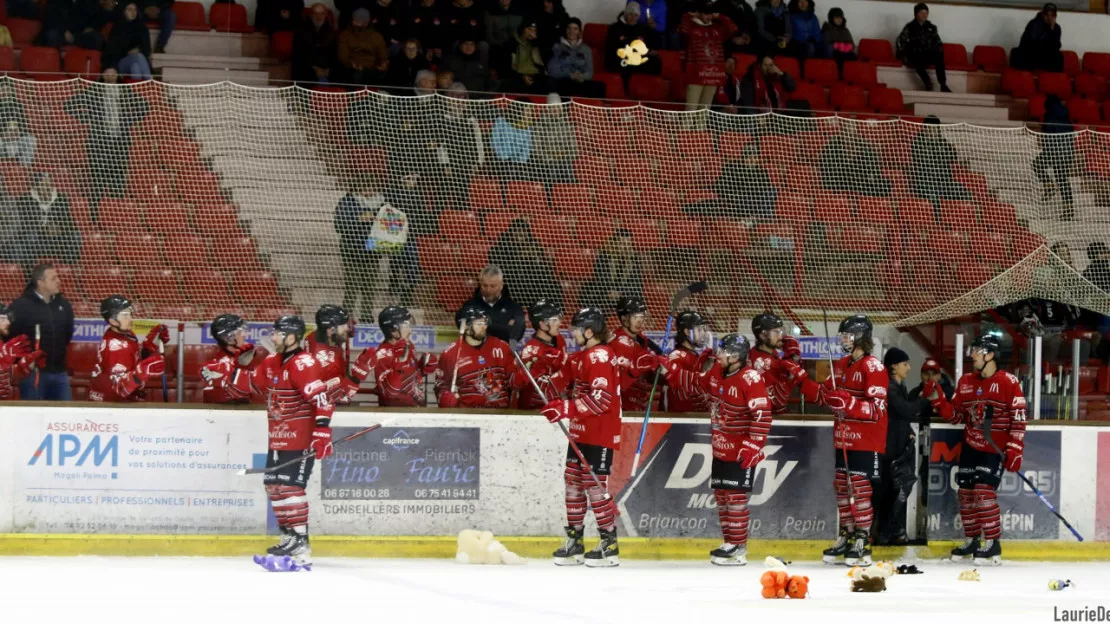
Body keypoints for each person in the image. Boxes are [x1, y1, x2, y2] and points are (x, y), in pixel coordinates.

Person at [664, 333, 771, 565]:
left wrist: (754, 445)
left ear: (736, 355)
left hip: (740, 450)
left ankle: (739, 547)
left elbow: (762, 415)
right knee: (722, 496)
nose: (719, 354)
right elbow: (695, 382)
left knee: (735, 497)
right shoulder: (716, 372)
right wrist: (668, 368)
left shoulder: (751, 378)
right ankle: (729, 542)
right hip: (720, 448)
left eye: (723, 351)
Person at [924, 335, 1026, 566]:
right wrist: (938, 400)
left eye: (978, 351)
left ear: (990, 355)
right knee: (966, 494)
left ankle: (992, 543)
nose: (973, 355)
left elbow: (1019, 419)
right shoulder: (966, 381)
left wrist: (1015, 448)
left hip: (994, 449)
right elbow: (957, 415)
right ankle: (972, 540)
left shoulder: (1009, 382)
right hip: (971, 444)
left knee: (983, 492)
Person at [798, 314, 888, 566]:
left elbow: (878, 409)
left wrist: (848, 402)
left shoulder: (874, 367)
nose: (844, 340)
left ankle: (863, 540)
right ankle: (848, 534)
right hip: (843, 439)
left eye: (848, 335)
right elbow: (823, 395)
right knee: (842, 487)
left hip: (866, 440)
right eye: (842, 336)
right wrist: (799, 378)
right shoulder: (840, 364)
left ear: (861, 337)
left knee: (859, 490)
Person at [246, 315, 334, 568]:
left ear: (292, 337)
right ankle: (287, 536)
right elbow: (254, 385)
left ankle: (300, 540)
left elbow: (323, 400)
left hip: (300, 437)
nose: (273, 338)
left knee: (290, 487)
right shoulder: (273, 361)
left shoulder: (304, 363)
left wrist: (321, 432)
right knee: (273, 485)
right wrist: (233, 372)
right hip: (278, 437)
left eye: (277, 333)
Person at [543, 307, 622, 568]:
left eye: (577, 328)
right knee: (574, 484)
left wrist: (565, 408)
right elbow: (559, 382)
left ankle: (609, 546)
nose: (573, 332)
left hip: (598, 432)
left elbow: (602, 400)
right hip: (579, 431)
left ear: (589, 331)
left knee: (595, 489)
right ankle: (575, 542)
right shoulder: (581, 356)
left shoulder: (599, 356)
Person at [63, 69, 150, 211]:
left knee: (118, 178)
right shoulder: (94, 90)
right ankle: (94, 214)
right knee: (97, 179)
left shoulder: (125, 91)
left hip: (120, 142)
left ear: (118, 75)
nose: (110, 75)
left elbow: (145, 106)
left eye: (113, 72)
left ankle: (116, 215)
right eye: (107, 72)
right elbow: (68, 105)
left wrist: (129, 121)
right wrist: (86, 119)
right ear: (102, 75)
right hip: (98, 142)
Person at [9, 263, 75, 401]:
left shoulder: (64, 305)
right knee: (33, 419)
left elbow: (67, 334)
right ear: (41, 283)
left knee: (65, 417)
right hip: (32, 374)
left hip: (60, 373)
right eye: (53, 278)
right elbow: (10, 337)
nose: (59, 281)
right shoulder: (20, 306)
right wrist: (24, 362)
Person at [876, 347, 921, 546]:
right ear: (894, 366)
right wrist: (927, 400)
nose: (909, 368)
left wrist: (908, 429)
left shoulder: (899, 386)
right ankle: (885, 531)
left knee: (896, 490)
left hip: (896, 446)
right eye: (905, 364)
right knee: (888, 491)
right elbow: (905, 410)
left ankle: (890, 530)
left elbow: (901, 416)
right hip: (888, 448)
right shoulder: (889, 387)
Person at [436, 304, 520, 408]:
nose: (484, 326)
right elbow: (441, 386)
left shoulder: (501, 346)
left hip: (501, 414)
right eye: (479, 323)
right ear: (465, 326)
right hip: (468, 417)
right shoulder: (450, 354)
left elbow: (514, 383)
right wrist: (444, 398)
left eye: (485, 322)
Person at [89, 296, 168, 402]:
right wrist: (143, 371)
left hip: (117, 401)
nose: (130, 319)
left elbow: (132, 358)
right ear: (113, 320)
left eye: (130, 314)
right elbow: (120, 388)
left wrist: (151, 343)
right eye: (125, 315)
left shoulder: (124, 334)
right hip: (110, 405)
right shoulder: (115, 349)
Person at [334, 174, 386, 322]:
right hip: (352, 250)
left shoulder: (382, 204)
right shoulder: (347, 202)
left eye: (373, 187)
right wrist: (358, 219)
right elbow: (339, 225)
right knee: (352, 285)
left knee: (370, 287)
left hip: (373, 251)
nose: (371, 190)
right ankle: (346, 317)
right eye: (367, 187)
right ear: (359, 187)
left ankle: (366, 317)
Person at [363, 306, 438, 407]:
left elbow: (409, 376)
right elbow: (388, 394)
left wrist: (423, 366)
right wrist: (399, 363)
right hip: (396, 413)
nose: (410, 329)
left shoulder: (408, 345)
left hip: (415, 408)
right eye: (406, 325)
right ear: (393, 331)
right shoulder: (382, 356)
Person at [488, 219, 561, 311]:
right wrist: (517, 256)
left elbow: (546, 269)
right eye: (517, 231)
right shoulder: (501, 247)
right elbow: (495, 265)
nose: (520, 234)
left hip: (531, 282)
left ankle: (551, 312)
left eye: (523, 231)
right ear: (511, 232)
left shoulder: (534, 246)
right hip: (511, 281)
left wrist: (536, 259)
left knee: (553, 284)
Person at [609, 295, 664, 412]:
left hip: (638, 403)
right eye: (635, 317)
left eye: (642, 316)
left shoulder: (642, 340)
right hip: (622, 406)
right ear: (624, 319)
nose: (640, 320)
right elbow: (622, 382)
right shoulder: (618, 342)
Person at [678, 4, 737, 111]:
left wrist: (720, 16)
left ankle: (701, 128)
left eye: (710, 14)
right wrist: (689, 15)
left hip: (713, 75)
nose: (708, 16)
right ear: (699, 13)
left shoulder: (717, 28)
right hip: (695, 74)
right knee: (691, 110)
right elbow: (683, 28)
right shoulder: (692, 26)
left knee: (704, 111)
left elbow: (733, 29)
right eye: (706, 13)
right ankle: (686, 129)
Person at [16, 172, 80, 268]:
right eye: (43, 185)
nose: (47, 188)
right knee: (30, 235)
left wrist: (60, 228)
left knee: (75, 235)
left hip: (57, 236)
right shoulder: (26, 199)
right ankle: (29, 269)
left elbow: (69, 222)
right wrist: (45, 229)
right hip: (38, 236)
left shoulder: (61, 199)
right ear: (36, 188)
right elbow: (25, 223)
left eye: (49, 184)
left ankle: (68, 270)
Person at [749, 313, 806, 415]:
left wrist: (792, 360)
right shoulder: (763, 363)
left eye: (781, 331)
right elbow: (776, 402)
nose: (781, 336)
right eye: (776, 332)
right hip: (768, 418)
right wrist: (790, 370)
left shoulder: (765, 352)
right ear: (763, 335)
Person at [517, 298, 568, 409]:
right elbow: (524, 384)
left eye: (559, 319)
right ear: (542, 324)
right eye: (554, 320)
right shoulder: (531, 351)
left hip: (556, 403)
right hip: (534, 408)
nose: (559, 323)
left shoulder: (559, 339)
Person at [306, 304, 361, 405]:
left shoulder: (316, 336)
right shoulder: (328, 364)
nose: (348, 328)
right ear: (330, 330)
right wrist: (358, 376)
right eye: (343, 324)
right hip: (328, 411)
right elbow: (341, 398)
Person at [819, 121, 891, 196]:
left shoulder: (865, 147)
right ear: (842, 134)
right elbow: (826, 167)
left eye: (852, 134)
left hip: (860, 181)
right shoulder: (832, 147)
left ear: (856, 135)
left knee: (885, 185)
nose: (849, 137)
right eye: (847, 134)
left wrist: (872, 177)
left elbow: (873, 168)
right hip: (838, 181)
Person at [661, 310, 714, 412]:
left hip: (694, 418)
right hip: (680, 419)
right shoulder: (677, 357)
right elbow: (683, 394)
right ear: (686, 332)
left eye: (703, 330)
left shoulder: (695, 356)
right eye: (699, 330)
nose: (703, 334)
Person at [581, 229, 645, 313]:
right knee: (590, 289)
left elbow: (636, 281)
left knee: (637, 293)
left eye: (628, 244)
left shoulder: (634, 258)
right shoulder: (604, 256)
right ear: (615, 244)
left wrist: (621, 293)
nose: (626, 247)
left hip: (624, 294)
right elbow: (599, 277)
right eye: (622, 244)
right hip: (605, 293)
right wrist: (609, 291)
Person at [199, 314, 257, 404]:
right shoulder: (216, 366)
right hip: (220, 414)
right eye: (240, 332)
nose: (245, 335)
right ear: (228, 338)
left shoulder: (244, 358)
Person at [1033, 94, 1075, 218]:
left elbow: (1048, 134)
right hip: (1067, 152)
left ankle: (1048, 185)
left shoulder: (1049, 115)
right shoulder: (1067, 117)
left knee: (1037, 164)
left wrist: (1047, 148)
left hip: (1053, 149)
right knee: (1063, 180)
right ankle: (1069, 209)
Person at [461, 265, 527, 343]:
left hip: (504, 353)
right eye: (485, 285)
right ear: (480, 284)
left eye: (493, 286)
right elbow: (466, 331)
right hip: (475, 352)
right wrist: (504, 326)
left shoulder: (514, 308)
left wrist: (485, 323)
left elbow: (515, 335)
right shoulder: (469, 306)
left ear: (501, 285)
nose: (488, 290)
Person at [895, 3, 949, 92]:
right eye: (922, 13)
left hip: (927, 54)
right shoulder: (910, 27)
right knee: (915, 55)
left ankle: (943, 84)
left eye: (926, 13)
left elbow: (938, 42)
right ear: (916, 14)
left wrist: (937, 49)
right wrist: (904, 54)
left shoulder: (931, 27)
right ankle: (927, 83)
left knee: (939, 56)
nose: (924, 15)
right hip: (914, 55)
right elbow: (901, 41)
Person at [715, 145, 776, 220]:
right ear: (744, 157)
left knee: (771, 191)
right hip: (737, 200)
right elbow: (721, 186)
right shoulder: (732, 168)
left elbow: (765, 189)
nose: (752, 159)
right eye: (749, 156)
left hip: (754, 202)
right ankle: (758, 219)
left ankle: (761, 219)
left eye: (755, 157)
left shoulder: (762, 172)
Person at [548, 19, 605, 99]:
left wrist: (581, 77)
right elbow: (553, 70)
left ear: (579, 31)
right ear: (565, 29)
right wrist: (569, 75)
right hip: (564, 81)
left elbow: (589, 72)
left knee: (599, 86)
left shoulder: (586, 49)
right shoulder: (557, 47)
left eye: (575, 28)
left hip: (580, 81)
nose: (572, 31)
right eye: (569, 28)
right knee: (557, 84)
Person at [604, 3, 662, 77]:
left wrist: (652, 29)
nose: (633, 18)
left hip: (638, 58)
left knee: (655, 62)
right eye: (630, 14)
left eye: (636, 15)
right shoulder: (615, 28)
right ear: (625, 15)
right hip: (621, 58)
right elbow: (613, 48)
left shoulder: (642, 28)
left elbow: (653, 43)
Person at [0, 302, 43, 400]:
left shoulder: (3, 344)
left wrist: (22, 366)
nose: (8, 322)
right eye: (4, 318)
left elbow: (6, 377)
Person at [337, 8, 389, 86]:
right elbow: (343, 55)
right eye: (353, 20)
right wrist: (351, 64)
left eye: (357, 21)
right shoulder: (345, 35)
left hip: (372, 68)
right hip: (353, 69)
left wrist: (383, 64)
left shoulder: (376, 36)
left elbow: (382, 54)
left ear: (366, 23)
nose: (354, 22)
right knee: (358, 75)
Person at [106, 3, 154, 80]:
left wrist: (139, 50)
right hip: (121, 62)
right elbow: (112, 51)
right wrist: (128, 53)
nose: (133, 12)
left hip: (137, 61)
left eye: (135, 10)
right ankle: (149, 82)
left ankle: (137, 90)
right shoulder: (117, 28)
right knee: (139, 56)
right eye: (130, 9)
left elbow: (147, 49)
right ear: (124, 12)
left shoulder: (142, 27)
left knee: (136, 68)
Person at [293, 3, 338, 85]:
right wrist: (314, 68)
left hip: (326, 68)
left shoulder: (331, 31)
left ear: (326, 15)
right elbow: (299, 53)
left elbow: (334, 53)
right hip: (308, 66)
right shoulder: (301, 29)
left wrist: (328, 69)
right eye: (315, 13)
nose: (319, 16)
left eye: (322, 13)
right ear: (311, 14)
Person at [1014, 3, 1062, 73]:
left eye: (1052, 15)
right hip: (1031, 53)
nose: (1049, 18)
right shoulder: (1034, 24)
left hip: (1045, 55)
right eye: (1047, 15)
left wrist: (1052, 31)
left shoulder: (1056, 28)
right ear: (1043, 14)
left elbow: (1057, 46)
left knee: (1059, 56)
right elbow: (1034, 43)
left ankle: (1055, 80)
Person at [506, 21, 546, 94]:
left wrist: (535, 42)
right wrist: (522, 76)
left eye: (534, 30)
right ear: (523, 29)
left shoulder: (536, 44)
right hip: (517, 75)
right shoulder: (512, 43)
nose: (532, 33)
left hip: (535, 75)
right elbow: (509, 66)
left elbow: (541, 65)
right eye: (529, 29)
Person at [485, 0, 524, 73]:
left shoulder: (519, 9)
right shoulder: (491, 10)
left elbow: (519, 29)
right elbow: (489, 33)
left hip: (514, 41)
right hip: (497, 42)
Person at [822, 7, 855, 75]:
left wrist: (847, 47)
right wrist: (836, 46)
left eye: (841, 17)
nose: (839, 20)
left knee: (853, 56)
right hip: (833, 54)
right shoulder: (827, 29)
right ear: (832, 18)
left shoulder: (845, 30)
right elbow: (825, 44)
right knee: (839, 57)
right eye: (836, 17)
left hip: (845, 53)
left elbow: (852, 45)